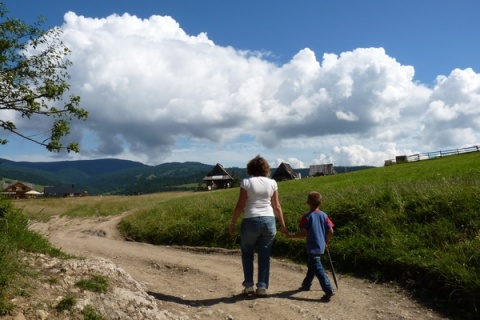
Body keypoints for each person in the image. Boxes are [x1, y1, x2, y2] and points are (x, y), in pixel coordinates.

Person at [229, 155, 288, 297]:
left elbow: (240, 205)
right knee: (264, 256)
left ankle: (248, 287)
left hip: (250, 221)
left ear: (250, 168)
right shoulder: (273, 183)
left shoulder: (246, 182)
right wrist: (283, 225)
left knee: (247, 254)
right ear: (266, 168)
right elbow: (277, 206)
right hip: (269, 221)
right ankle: (262, 288)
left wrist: (233, 223)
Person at [286, 191, 335, 301]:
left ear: (308, 202)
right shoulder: (324, 215)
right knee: (312, 265)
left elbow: (303, 234)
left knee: (317, 268)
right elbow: (331, 231)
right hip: (321, 246)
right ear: (320, 202)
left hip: (313, 247)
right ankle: (306, 284)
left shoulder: (306, 217)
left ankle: (328, 290)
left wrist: (290, 236)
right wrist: (325, 241)